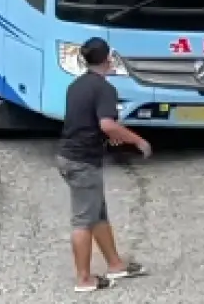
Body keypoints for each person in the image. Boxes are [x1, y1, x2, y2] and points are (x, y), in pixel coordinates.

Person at [57, 37, 150, 292]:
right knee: (83, 221)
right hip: (82, 161)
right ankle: (84, 279)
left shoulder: (75, 86)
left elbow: (84, 121)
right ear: (108, 59)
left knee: (97, 213)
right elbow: (107, 124)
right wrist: (138, 140)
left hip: (69, 155)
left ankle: (115, 264)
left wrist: (109, 136)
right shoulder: (104, 89)